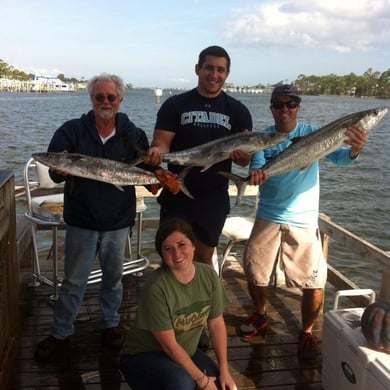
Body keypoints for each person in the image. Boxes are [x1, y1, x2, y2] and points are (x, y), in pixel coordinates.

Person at [239, 84, 368, 363]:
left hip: (303, 218)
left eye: (291, 104)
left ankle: (307, 331)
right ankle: (261, 315)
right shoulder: (263, 138)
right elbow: (255, 168)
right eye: (279, 104)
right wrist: (255, 175)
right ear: (271, 108)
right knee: (255, 271)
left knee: (314, 281)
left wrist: (355, 150)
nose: (285, 109)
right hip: (269, 214)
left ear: (299, 106)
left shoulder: (313, 134)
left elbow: (341, 159)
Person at [34, 73, 153, 362]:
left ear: (120, 100)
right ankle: (61, 333)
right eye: (100, 96)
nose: (106, 102)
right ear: (91, 99)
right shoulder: (72, 130)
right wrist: (57, 169)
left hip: (117, 220)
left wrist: (159, 176)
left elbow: (148, 176)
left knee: (114, 279)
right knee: (74, 281)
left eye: (111, 97)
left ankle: (110, 325)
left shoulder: (133, 134)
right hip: (82, 219)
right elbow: (53, 168)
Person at [145, 45, 253, 266]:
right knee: (172, 257)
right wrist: (156, 153)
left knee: (204, 257)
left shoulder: (238, 111)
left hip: (213, 197)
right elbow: (162, 144)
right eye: (209, 68)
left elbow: (244, 159)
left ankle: (199, 300)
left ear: (227, 74)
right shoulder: (175, 105)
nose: (214, 75)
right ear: (197, 69)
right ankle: (171, 300)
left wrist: (244, 158)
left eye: (220, 70)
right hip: (176, 194)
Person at [120, 217, 237, 390]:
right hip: (144, 355)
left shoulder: (208, 275)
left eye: (182, 245)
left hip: (185, 351)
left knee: (220, 384)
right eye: (169, 249)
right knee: (183, 384)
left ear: (194, 245)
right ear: (162, 255)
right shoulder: (156, 288)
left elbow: (216, 323)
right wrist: (203, 381)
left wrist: (224, 370)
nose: (177, 253)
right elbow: (169, 346)